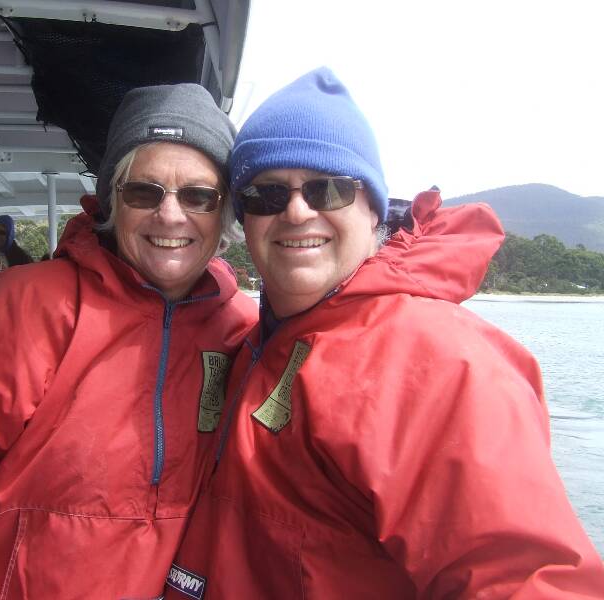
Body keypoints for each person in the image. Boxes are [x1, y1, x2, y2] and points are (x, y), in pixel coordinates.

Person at [164, 67, 604, 599]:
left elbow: (523, 579)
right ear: (244, 219)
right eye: (266, 194)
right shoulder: (261, 343)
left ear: (374, 209)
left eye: (329, 189)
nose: (297, 210)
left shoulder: (436, 360)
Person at [0, 83, 257, 599]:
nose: (170, 214)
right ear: (112, 200)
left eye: (198, 196)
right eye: (143, 192)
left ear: (223, 211)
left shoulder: (242, 328)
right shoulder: (21, 306)